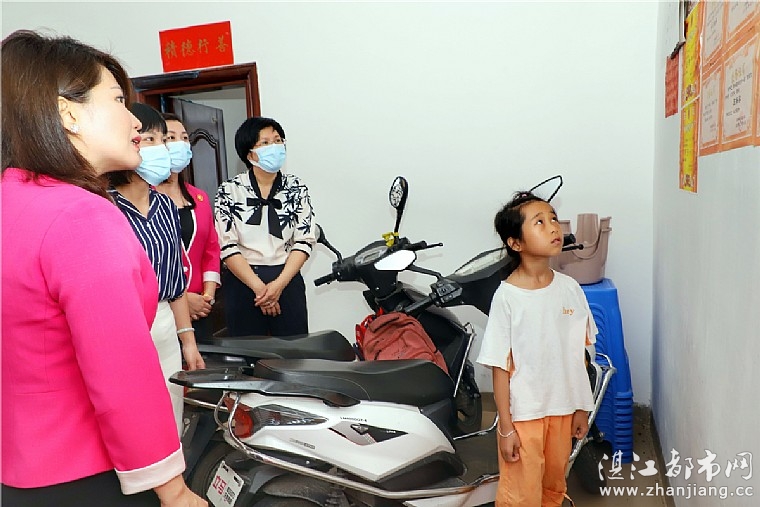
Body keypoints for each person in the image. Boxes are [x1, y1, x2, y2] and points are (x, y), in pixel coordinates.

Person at [1, 30, 206, 506]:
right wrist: (174, 490)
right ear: (68, 113)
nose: (134, 119)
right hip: (87, 472)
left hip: (19, 469)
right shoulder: (80, 215)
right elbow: (121, 376)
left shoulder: (14, 202)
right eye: (117, 99)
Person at [476, 191, 597, 507]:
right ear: (516, 243)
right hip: (525, 415)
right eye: (539, 222)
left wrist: (581, 407)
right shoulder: (507, 298)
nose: (553, 227)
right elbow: (500, 367)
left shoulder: (570, 289)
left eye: (553, 218)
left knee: (553, 487)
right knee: (522, 494)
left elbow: (579, 357)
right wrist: (506, 429)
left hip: (563, 410)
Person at [107, 103, 205, 434]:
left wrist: (187, 340)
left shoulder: (164, 204)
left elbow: (175, 280)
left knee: (171, 418)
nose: (161, 148)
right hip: (123, 326)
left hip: (164, 323)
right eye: (149, 139)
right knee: (134, 423)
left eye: (163, 140)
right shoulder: (104, 205)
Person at [214, 117, 316, 336]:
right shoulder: (230, 190)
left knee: (295, 351)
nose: (275, 147)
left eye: (278, 140)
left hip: (286, 279)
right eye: (266, 142)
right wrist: (261, 290)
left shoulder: (296, 188)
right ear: (250, 154)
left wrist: (277, 286)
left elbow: (305, 240)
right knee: (248, 352)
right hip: (244, 282)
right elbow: (227, 245)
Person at [156, 113, 221, 343]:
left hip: (201, 309)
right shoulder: (145, 199)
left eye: (184, 138)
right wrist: (185, 301)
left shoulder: (199, 197)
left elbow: (211, 250)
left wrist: (207, 296)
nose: (180, 144)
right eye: (171, 138)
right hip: (162, 310)